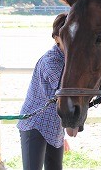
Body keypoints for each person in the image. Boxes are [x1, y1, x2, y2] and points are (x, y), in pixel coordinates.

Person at [17, 13, 68, 170]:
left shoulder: (69, 60)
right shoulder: (51, 61)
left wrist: (62, 134)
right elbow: (66, 93)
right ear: (56, 38)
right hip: (35, 124)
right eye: (65, 35)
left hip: (54, 127)